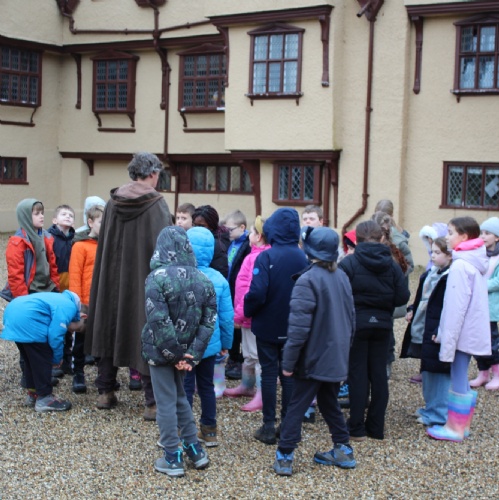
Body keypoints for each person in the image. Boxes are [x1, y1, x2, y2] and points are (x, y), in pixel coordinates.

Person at [85, 152, 172, 420]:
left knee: (110, 324)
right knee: (145, 328)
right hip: (143, 279)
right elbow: (166, 247)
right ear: (153, 173)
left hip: (111, 279)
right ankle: (152, 403)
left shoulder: (112, 202)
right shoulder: (156, 204)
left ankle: (105, 392)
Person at [273, 226, 356, 476]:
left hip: (312, 358)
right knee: (329, 402)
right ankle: (343, 449)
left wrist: (288, 363)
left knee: (297, 405)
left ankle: (285, 455)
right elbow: (352, 319)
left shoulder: (307, 280)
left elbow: (298, 329)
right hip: (334, 355)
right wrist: (345, 351)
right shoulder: (341, 276)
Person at [142, 226, 217, 477]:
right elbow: (208, 322)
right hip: (185, 353)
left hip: (161, 352)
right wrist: (191, 354)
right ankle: (195, 449)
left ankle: (172, 457)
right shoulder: (203, 279)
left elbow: (158, 320)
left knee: (165, 402)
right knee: (180, 398)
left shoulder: (156, 277)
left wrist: (173, 354)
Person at [339, 220, 410, 441]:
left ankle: (356, 428)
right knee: (378, 374)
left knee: (357, 374)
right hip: (382, 325)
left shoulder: (349, 264)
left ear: (357, 240)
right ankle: (376, 427)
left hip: (357, 325)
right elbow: (402, 297)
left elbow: (340, 294)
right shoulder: (392, 265)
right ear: (381, 238)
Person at [244, 208, 309, 445]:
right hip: (293, 325)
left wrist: (248, 309)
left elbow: (257, 292)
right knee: (289, 374)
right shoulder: (302, 258)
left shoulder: (267, 257)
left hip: (268, 324)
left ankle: (268, 425)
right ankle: (288, 425)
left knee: (269, 373)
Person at [427, 217, 491, 442]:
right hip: (469, 329)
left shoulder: (461, 266)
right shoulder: (471, 262)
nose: (446, 237)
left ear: (463, 236)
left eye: (450, 232)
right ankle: (462, 426)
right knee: (460, 374)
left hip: (462, 331)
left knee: (458, 376)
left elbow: (455, 308)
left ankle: (455, 428)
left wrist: (447, 337)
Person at [0, 198, 60, 389]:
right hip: (30, 294)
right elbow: (16, 276)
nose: (41, 216)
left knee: (44, 337)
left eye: (42, 212)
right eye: (36, 213)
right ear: (26, 216)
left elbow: (52, 265)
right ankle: (29, 378)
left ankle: (42, 373)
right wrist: (22, 302)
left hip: (46, 291)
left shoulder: (46, 237)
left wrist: (55, 287)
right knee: (28, 338)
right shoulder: (18, 242)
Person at [184, 226, 234, 446]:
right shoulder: (219, 279)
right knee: (206, 386)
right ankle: (209, 429)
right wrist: (226, 343)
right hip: (210, 344)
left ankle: (183, 430)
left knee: (185, 386)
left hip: (186, 344)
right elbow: (226, 317)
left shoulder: (181, 277)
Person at [1, 290, 84, 412]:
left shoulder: (55, 298)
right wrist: (56, 358)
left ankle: (33, 394)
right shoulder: (69, 305)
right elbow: (55, 334)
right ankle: (45, 398)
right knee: (42, 357)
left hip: (13, 313)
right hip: (28, 320)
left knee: (31, 360)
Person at [225, 216, 271, 411]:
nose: (249, 235)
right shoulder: (255, 255)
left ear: (258, 236)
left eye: (251, 232)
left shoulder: (258, 258)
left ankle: (261, 394)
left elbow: (248, 290)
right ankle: (247, 385)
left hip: (251, 316)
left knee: (257, 355)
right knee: (249, 354)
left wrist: (240, 314)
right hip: (247, 315)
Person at [406, 237, 452, 426]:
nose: (432, 256)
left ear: (449, 255)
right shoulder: (432, 273)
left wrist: (440, 330)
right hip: (425, 327)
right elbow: (422, 298)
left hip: (436, 330)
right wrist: (412, 309)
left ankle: (438, 413)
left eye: (438, 252)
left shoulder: (449, 277)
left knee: (438, 372)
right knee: (428, 370)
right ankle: (430, 407)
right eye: (432, 251)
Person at [68, 204, 104, 394]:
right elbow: (75, 276)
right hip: (85, 302)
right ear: (90, 222)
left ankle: (103, 376)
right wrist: (78, 305)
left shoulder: (106, 245)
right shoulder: (80, 246)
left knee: (101, 340)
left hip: (102, 302)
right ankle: (78, 374)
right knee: (81, 340)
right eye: (101, 222)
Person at [468, 217, 499, 390]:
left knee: (492, 342)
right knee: (477, 341)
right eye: (482, 233)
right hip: (476, 306)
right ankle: (483, 373)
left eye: (487, 233)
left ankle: (497, 374)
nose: (483, 236)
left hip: (490, 308)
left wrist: (480, 286)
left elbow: (497, 281)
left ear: (497, 237)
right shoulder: (479, 254)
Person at [48, 204, 76, 377]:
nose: (67, 217)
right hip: (55, 286)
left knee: (68, 325)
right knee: (54, 325)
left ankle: (67, 359)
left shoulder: (75, 240)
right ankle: (53, 361)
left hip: (69, 287)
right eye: (64, 214)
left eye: (70, 215)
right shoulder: (49, 238)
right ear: (54, 220)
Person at [224, 209, 251, 380]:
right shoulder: (231, 243)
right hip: (229, 289)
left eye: (230, 229)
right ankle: (233, 357)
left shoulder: (247, 245)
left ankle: (238, 360)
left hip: (239, 292)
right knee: (231, 325)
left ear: (242, 227)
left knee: (239, 327)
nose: (228, 232)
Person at [192, 205, 230, 278]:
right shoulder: (192, 240)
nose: (197, 229)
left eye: (201, 226)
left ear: (212, 226)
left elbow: (221, 274)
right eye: (194, 225)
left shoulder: (218, 245)